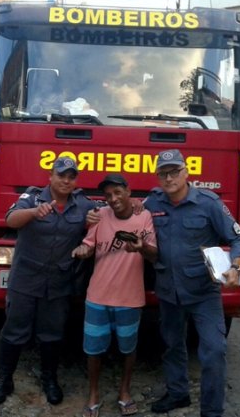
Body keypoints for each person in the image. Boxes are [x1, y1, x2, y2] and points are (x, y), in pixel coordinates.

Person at [143, 149, 240, 417]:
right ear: (157, 178)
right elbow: (132, 220)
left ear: (186, 171)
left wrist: (236, 267)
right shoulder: (153, 204)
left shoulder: (209, 203)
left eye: (174, 171)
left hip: (203, 292)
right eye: (163, 174)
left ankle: (211, 411)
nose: (169, 179)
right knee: (172, 345)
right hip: (168, 290)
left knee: (214, 350)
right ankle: (178, 394)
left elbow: (238, 239)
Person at [0, 156, 97, 407]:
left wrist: (100, 220)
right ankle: (3, 379)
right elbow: (10, 220)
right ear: (51, 176)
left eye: (71, 177)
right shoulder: (33, 198)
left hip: (59, 282)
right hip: (26, 279)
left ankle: (50, 379)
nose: (66, 181)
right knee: (14, 332)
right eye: (61, 175)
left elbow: (109, 213)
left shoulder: (82, 204)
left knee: (52, 334)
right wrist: (34, 213)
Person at [72, 174, 157, 417]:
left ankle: (124, 391)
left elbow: (154, 253)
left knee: (128, 349)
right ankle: (94, 394)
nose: (113, 199)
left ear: (129, 191)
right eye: (108, 195)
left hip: (130, 298)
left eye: (118, 192)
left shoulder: (144, 216)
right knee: (93, 349)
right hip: (97, 296)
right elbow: (89, 244)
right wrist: (82, 250)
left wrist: (142, 248)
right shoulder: (100, 215)